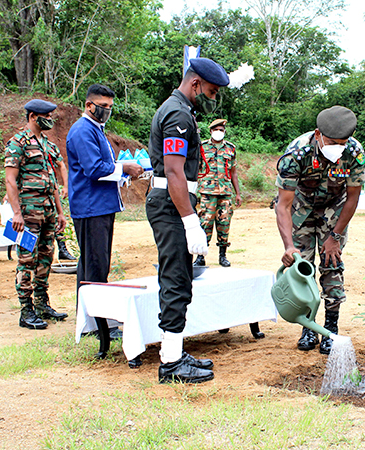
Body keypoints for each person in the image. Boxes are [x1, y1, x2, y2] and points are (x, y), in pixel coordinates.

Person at [146, 57, 229, 384]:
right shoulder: (178, 114)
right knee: (176, 278)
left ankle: (174, 353)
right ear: (195, 83)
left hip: (173, 200)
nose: (212, 98)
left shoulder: (179, 109)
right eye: (210, 91)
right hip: (171, 203)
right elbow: (174, 171)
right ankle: (170, 364)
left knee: (177, 277)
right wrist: (190, 221)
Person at [274, 105, 365, 355]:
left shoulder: (354, 152)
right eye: (333, 142)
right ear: (318, 134)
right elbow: (283, 205)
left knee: (331, 264)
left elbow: (352, 198)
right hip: (301, 209)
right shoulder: (297, 153)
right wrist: (288, 246)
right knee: (302, 267)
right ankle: (309, 327)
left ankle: (331, 328)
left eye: (343, 142)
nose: (338, 147)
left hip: (334, 210)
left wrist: (335, 237)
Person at [66, 84, 143, 340]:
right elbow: (96, 169)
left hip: (98, 205)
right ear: (89, 105)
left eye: (110, 107)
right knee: (97, 265)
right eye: (103, 106)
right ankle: (101, 328)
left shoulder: (95, 129)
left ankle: (88, 322)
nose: (106, 111)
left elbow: (104, 166)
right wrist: (124, 169)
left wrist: (122, 173)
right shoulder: (82, 131)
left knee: (89, 264)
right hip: (91, 208)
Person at [4, 99, 68, 330]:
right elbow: (10, 180)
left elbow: (52, 181)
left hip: (48, 211)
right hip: (28, 213)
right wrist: (16, 214)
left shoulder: (47, 145)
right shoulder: (17, 143)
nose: (50, 120)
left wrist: (60, 213)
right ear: (33, 116)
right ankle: (26, 310)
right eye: (47, 116)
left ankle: (42, 304)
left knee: (45, 257)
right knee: (26, 259)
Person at [193, 118, 241, 268]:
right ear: (211, 131)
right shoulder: (202, 147)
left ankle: (223, 256)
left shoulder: (230, 149)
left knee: (224, 224)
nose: (219, 132)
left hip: (225, 192)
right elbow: (195, 170)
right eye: (216, 130)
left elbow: (233, 172)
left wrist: (237, 193)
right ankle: (200, 257)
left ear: (224, 132)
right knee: (205, 223)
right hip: (207, 192)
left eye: (222, 130)